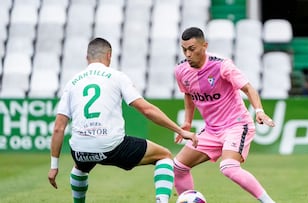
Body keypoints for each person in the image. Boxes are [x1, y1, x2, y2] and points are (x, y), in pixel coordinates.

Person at [47, 37, 198, 203]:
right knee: (164, 155)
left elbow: (58, 128)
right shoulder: (116, 76)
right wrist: (180, 130)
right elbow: (146, 110)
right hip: (111, 146)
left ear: (87, 57)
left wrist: (54, 166)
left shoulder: (72, 82)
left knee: (80, 168)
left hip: (80, 149)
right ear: (109, 55)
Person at [173, 27, 276, 203]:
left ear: (204, 46)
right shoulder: (181, 70)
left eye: (192, 49)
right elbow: (188, 95)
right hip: (212, 131)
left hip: (236, 125)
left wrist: (259, 111)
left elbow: (248, 88)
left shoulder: (222, 65)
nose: (188, 54)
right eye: (184, 49)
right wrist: (187, 122)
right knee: (179, 167)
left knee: (228, 167)